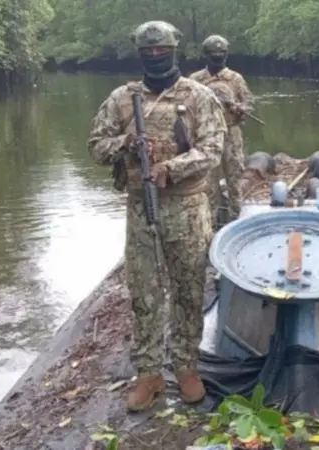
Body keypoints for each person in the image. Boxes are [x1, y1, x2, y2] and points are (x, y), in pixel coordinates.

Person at [87, 21, 227, 412]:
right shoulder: (121, 99)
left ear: (174, 50)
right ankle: (148, 373)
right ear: (139, 54)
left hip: (187, 208)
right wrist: (127, 143)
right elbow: (96, 146)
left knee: (188, 289)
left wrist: (171, 168)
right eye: (148, 51)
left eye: (161, 50)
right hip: (140, 207)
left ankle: (186, 366)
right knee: (144, 292)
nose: (155, 56)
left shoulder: (199, 96)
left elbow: (213, 149)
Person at [189, 34, 254, 225]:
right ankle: (210, 223)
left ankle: (236, 219)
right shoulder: (195, 80)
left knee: (235, 178)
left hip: (231, 133)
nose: (217, 56)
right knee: (208, 181)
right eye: (213, 53)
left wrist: (239, 108)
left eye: (221, 53)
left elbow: (249, 104)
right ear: (206, 55)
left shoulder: (235, 79)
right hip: (206, 135)